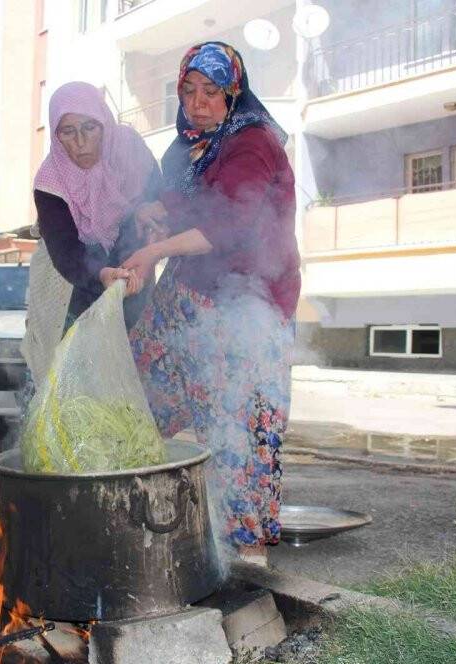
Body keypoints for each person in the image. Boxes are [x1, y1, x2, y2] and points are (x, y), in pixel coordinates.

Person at [122, 43, 300, 566]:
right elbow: (179, 207)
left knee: (237, 423)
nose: (197, 103)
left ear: (233, 93)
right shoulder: (185, 148)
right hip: (189, 295)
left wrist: (154, 250)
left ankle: (245, 550)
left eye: (211, 92)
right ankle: (144, 515)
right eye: (188, 91)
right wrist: (153, 216)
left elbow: (229, 224)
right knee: (140, 397)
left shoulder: (253, 142)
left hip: (249, 304)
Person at [32, 81, 161, 335]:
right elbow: (65, 250)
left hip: (137, 276)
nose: (80, 142)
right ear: (56, 135)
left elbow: (159, 196)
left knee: (139, 352)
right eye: (68, 131)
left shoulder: (129, 149)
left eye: (89, 127)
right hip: (74, 286)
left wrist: (149, 210)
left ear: (104, 123)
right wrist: (100, 274)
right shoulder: (50, 182)